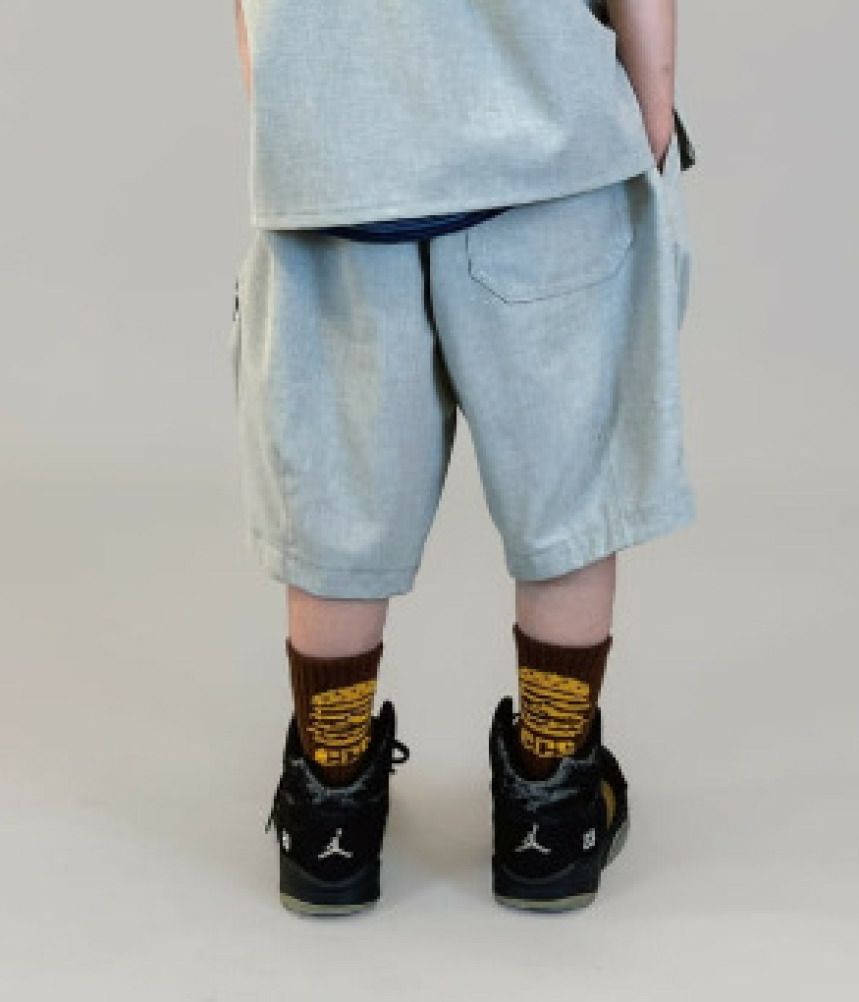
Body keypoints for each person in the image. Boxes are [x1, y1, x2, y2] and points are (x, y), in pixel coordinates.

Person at [232, 0, 695, 915]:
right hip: (546, 146)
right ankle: (549, 808)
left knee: (338, 503)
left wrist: (300, 117)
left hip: (333, 165)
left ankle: (329, 811)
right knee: (567, 495)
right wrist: (649, 112)